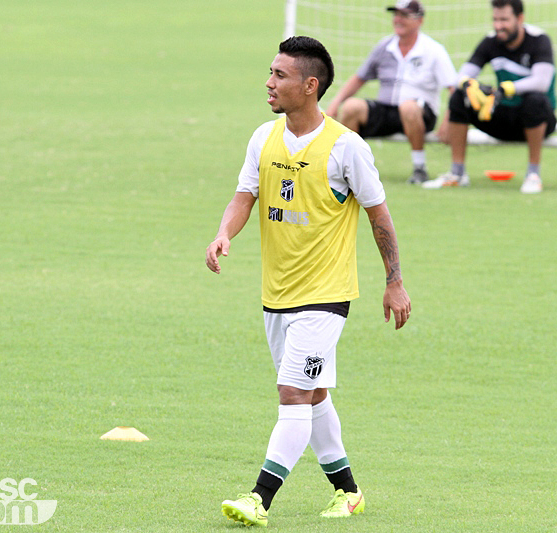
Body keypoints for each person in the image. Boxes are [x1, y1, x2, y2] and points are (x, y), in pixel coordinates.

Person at [206, 36, 411, 528]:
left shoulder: (346, 148)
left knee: (292, 393)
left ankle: (259, 497)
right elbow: (244, 196)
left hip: (325, 298)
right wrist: (223, 234)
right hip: (276, 296)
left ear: (309, 85)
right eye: (271, 73)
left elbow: (379, 215)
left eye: (280, 75)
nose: (269, 83)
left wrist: (394, 282)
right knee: (313, 395)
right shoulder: (263, 137)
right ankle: (348, 491)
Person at [423, 0, 557, 194]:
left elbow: (542, 82)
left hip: (539, 121)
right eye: (495, 19)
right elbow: (461, 76)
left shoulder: (539, 40)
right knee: (460, 97)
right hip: (501, 117)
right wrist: (471, 85)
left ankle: (533, 175)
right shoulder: (490, 41)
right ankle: (457, 173)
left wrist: (506, 89)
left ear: (520, 18)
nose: (498, 26)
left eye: (504, 20)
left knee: (535, 100)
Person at [325, 0, 457, 185]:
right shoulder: (385, 46)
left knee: (408, 107)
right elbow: (360, 77)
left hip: (420, 113)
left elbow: (453, 88)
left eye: (404, 15)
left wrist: (449, 121)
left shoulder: (433, 50)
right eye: (396, 15)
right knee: (351, 107)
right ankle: (348, 169)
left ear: (419, 20)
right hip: (387, 110)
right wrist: (335, 103)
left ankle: (419, 168)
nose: (398, 20)